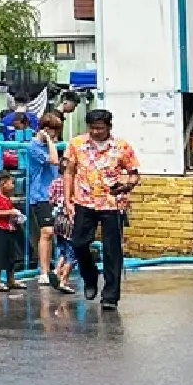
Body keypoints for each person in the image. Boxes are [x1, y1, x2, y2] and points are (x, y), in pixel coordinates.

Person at [68, 108, 139, 310]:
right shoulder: (77, 144)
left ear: (109, 127)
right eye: (92, 128)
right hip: (84, 201)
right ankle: (90, 277)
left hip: (112, 203)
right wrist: (67, 200)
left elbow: (134, 173)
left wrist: (127, 185)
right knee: (78, 243)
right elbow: (69, 172)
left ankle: (110, 296)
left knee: (112, 250)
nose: (95, 132)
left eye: (99, 128)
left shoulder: (122, 146)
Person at [25, 112, 72, 292]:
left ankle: (57, 269)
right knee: (47, 232)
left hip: (54, 195)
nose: (56, 135)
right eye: (54, 131)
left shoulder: (48, 145)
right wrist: (49, 140)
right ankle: (43, 272)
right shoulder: (34, 147)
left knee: (59, 232)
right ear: (46, 130)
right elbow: (53, 160)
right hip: (40, 195)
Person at [0, 170, 25, 291]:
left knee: (10, 255)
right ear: (3, 183)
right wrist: (10, 212)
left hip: (9, 228)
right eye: (11, 183)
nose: (12, 186)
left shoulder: (7, 197)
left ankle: (10, 279)